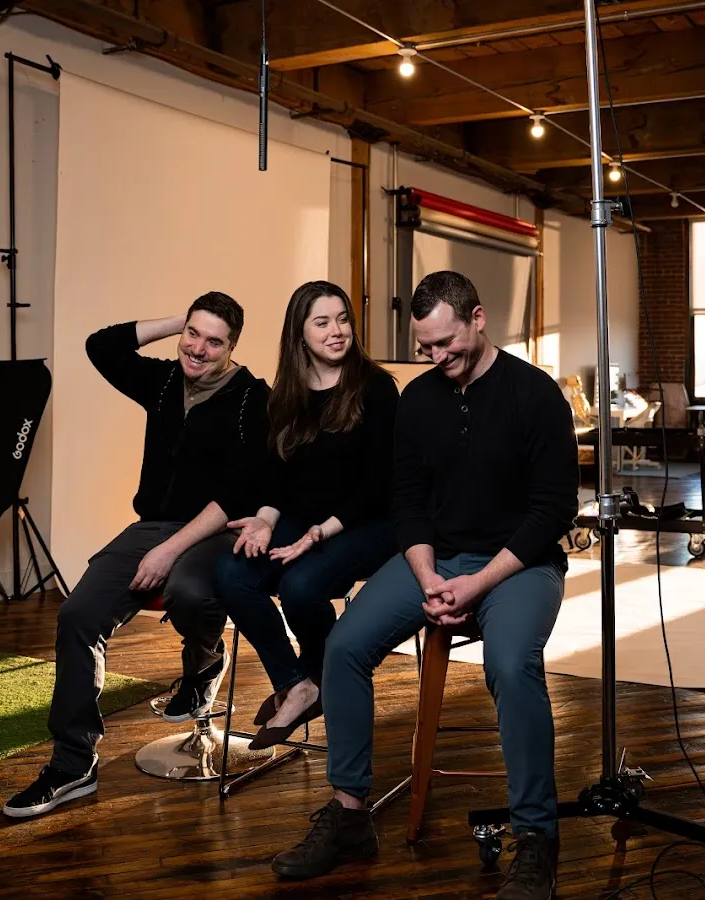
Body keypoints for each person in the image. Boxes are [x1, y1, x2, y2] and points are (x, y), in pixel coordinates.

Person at [270, 271, 578, 900]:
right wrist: (430, 575)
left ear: (477, 319)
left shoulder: (535, 394)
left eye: (447, 343)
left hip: (519, 564)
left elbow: (553, 512)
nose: (437, 357)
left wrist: (477, 584)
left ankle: (536, 838)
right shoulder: (418, 400)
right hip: (436, 562)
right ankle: (350, 816)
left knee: (511, 664)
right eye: (426, 347)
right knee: (344, 647)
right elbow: (406, 502)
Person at [3, 292, 269, 819]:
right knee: (78, 616)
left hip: (216, 528)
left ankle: (204, 666)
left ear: (232, 347)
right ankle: (74, 763)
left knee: (189, 591)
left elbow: (239, 492)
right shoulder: (165, 380)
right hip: (151, 526)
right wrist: (178, 322)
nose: (198, 349)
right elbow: (101, 346)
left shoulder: (252, 398)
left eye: (214, 342)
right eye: (192, 334)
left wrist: (169, 551)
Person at [216, 281, 399, 750]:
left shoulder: (377, 387)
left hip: (368, 522)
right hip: (306, 519)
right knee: (232, 572)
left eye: (343, 319)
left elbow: (379, 485)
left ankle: (323, 675)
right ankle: (297, 684)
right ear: (299, 332)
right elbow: (277, 477)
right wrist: (265, 521)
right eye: (322, 322)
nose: (337, 331)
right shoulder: (286, 394)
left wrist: (317, 534)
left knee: (300, 587)